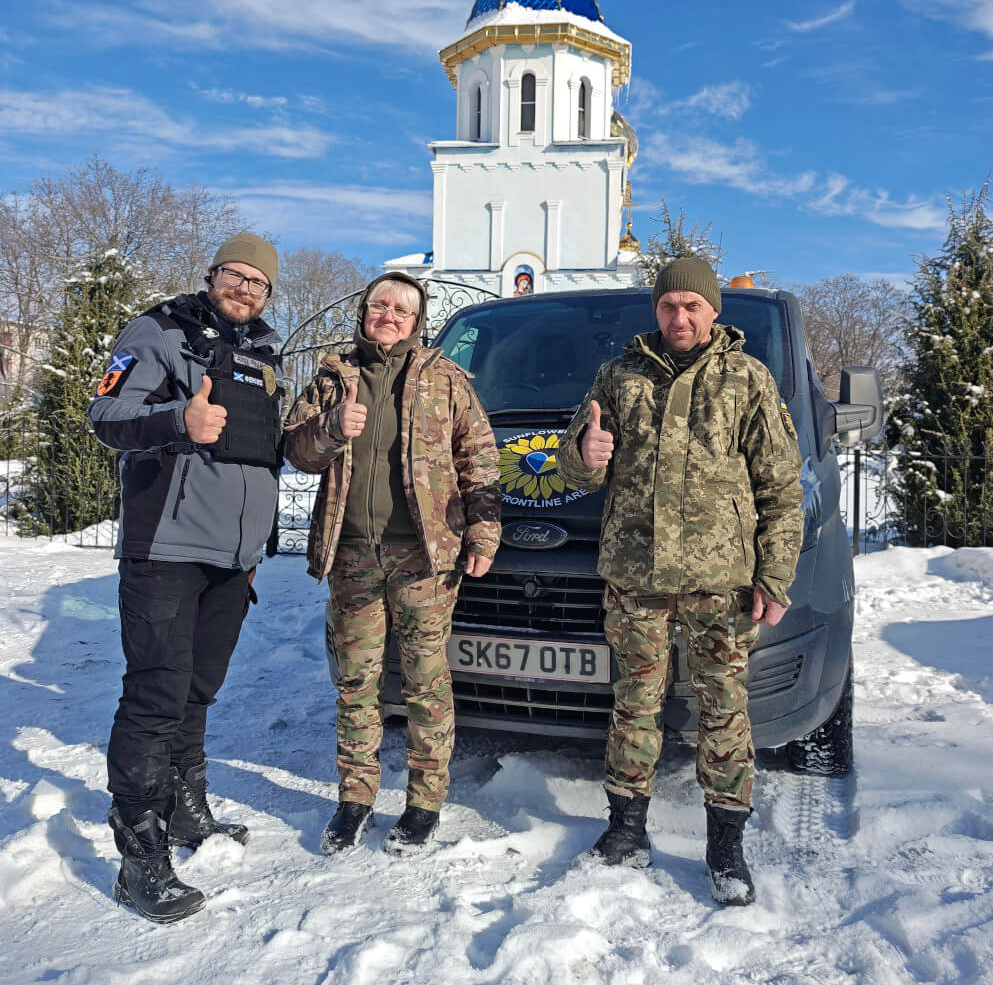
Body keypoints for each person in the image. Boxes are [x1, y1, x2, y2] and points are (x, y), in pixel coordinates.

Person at [555, 257, 804, 905]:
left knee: (724, 712)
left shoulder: (747, 380)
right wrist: (583, 458)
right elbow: (573, 463)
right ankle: (626, 830)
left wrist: (774, 574)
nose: (680, 316)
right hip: (635, 578)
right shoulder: (619, 376)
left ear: (713, 310)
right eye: (669, 305)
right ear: (656, 310)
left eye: (692, 305)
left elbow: (781, 488)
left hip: (720, 583)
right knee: (633, 704)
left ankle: (725, 848)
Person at [88, 233, 283, 923]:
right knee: (155, 697)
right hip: (166, 548)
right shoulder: (156, 331)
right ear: (212, 274)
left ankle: (186, 811)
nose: (247, 289)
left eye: (259, 283)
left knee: (198, 688)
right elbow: (105, 415)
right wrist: (179, 419)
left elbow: (267, 452)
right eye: (237, 275)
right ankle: (139, 856)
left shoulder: (265, 355)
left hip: (232, 559)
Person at [283, 272, 500, 857]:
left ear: (417, 321)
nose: (389, 315)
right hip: (353, 554)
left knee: (428, 684)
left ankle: (424, 803)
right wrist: (330, 429)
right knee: (357, 685)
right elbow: (296, 451)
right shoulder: (333, 378)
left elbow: (478, 457)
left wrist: (483, 530)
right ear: (363, 312)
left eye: (402, 309)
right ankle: (354, 800)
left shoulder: (445, 379)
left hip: (423, 558)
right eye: (380, 305)